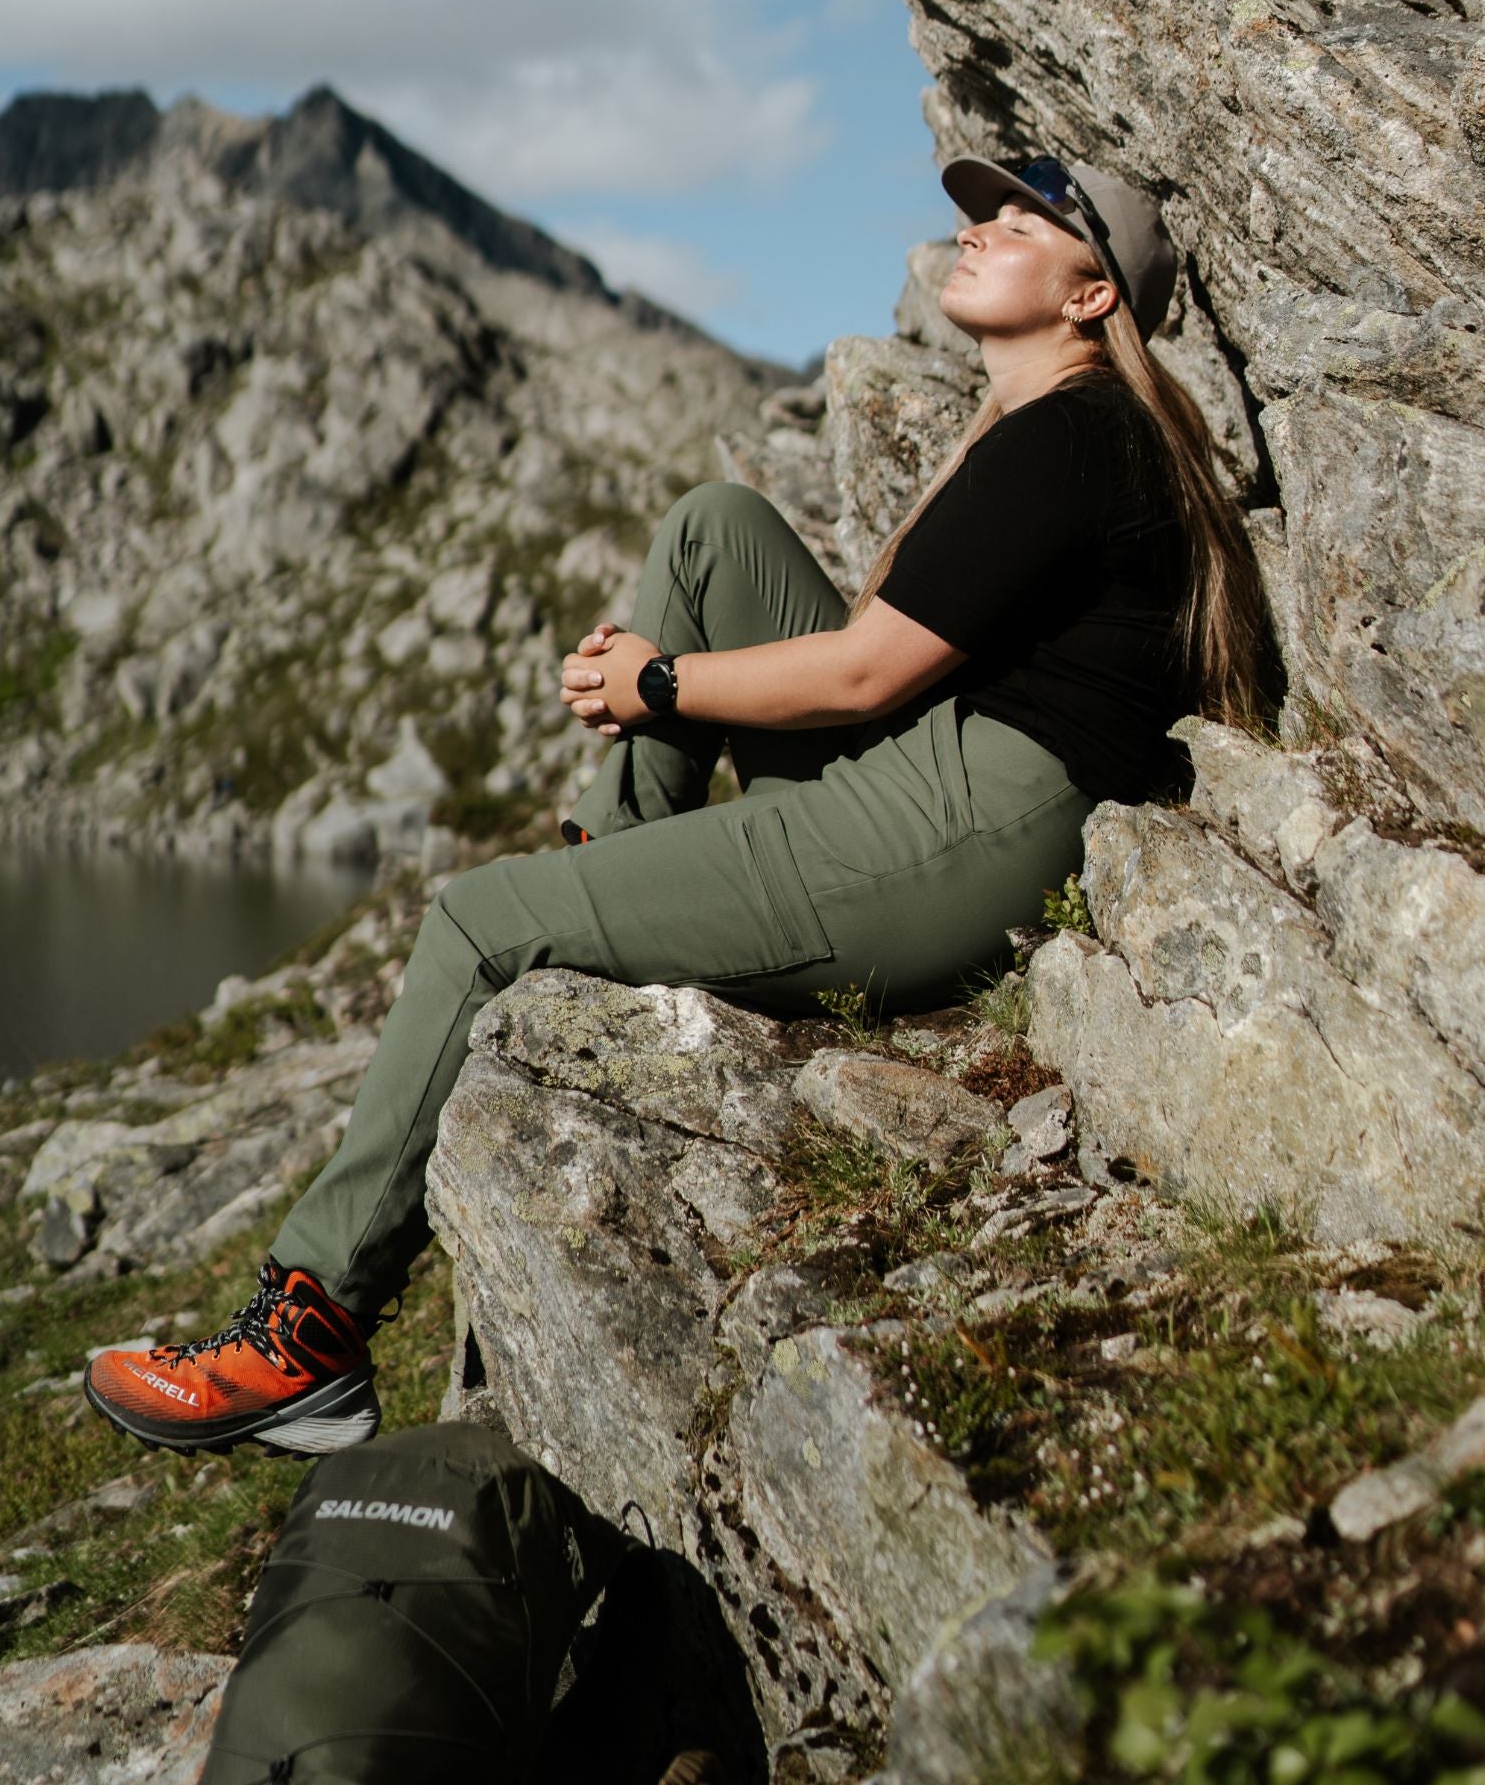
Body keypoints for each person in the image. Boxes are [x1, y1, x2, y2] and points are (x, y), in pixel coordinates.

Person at [83, 151, 1270, 1457]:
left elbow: (868, 669)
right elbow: (877, 668)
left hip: (965, 828)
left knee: (478, 923)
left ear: (1091, 293)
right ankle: (610, 882)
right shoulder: (1060, 431)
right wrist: (664, 692)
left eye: (1023, 221)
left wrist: (660, 680)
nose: (980, 229)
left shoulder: (1073, 434)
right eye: (981, 211)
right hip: (934, 775)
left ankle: (306, 1343)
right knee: (713, 527)